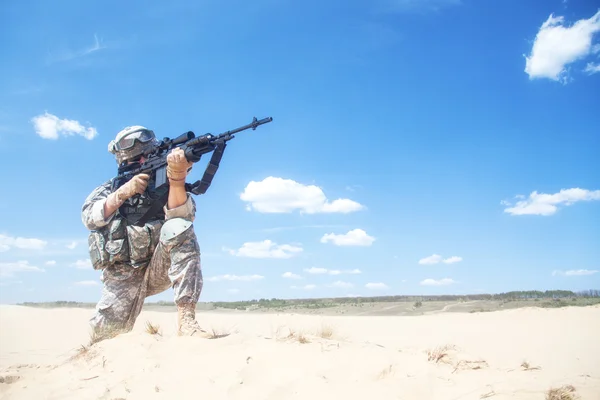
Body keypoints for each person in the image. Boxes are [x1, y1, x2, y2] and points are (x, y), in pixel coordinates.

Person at [81, 125, 210, 340]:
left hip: (159, 268)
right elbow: (89, 217)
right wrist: (122, 193)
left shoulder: (164, 183)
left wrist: (176, 178)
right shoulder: (109, 188)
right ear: (123, 163)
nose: (142, 163)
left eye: (146, 157)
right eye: (136, 160)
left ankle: (187, 321)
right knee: (103, 337)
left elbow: (182, 217)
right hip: (123, 277)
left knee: (180, 228)